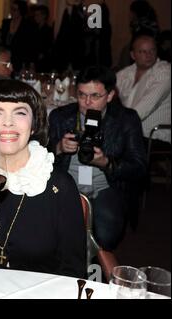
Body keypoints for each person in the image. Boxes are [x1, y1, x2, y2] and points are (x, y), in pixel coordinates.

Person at [0, 80, 86, 278]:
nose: (8, 122)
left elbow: (73, 271)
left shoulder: (60, 185)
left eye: (20, 112)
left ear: (34, 124)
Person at [48, 66, 147, 251]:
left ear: (110, 95)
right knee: (52, 236)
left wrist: (106, 162)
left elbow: (139, 167)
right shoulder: (60, 116)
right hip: (66, 186)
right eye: (81, 95)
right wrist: (59, 148)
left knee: (106, 236)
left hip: (106, 187)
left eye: (95, 96)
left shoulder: (126, 119)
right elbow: (36, 156)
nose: (87, 102)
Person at [117, 34, 171, 145]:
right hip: (131, 134)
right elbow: (104, 91)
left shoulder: (164, 73)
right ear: (133, 55)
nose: (149, 55)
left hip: (155, 136)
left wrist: (113, 126)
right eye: (143, 52)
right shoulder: (126, 73)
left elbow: (141, 110)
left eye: (152, 50)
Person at [1, 0, 37, 74]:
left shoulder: (28, 25)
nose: (12, 11)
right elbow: (3, 41)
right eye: (11, 9)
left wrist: (31, 65)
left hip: (20, 60)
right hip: (6, 58)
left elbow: (32, 46)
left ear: (21, 11)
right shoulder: (6, 23)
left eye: (15, 9)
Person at [32, 5, 53, 73]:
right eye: (35, 15)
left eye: (37, 15)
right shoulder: (33, 28)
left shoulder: (48, 30)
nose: (35, 17)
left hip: (43, 64)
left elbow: (48, 47)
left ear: (44, 16)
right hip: (33, 60)